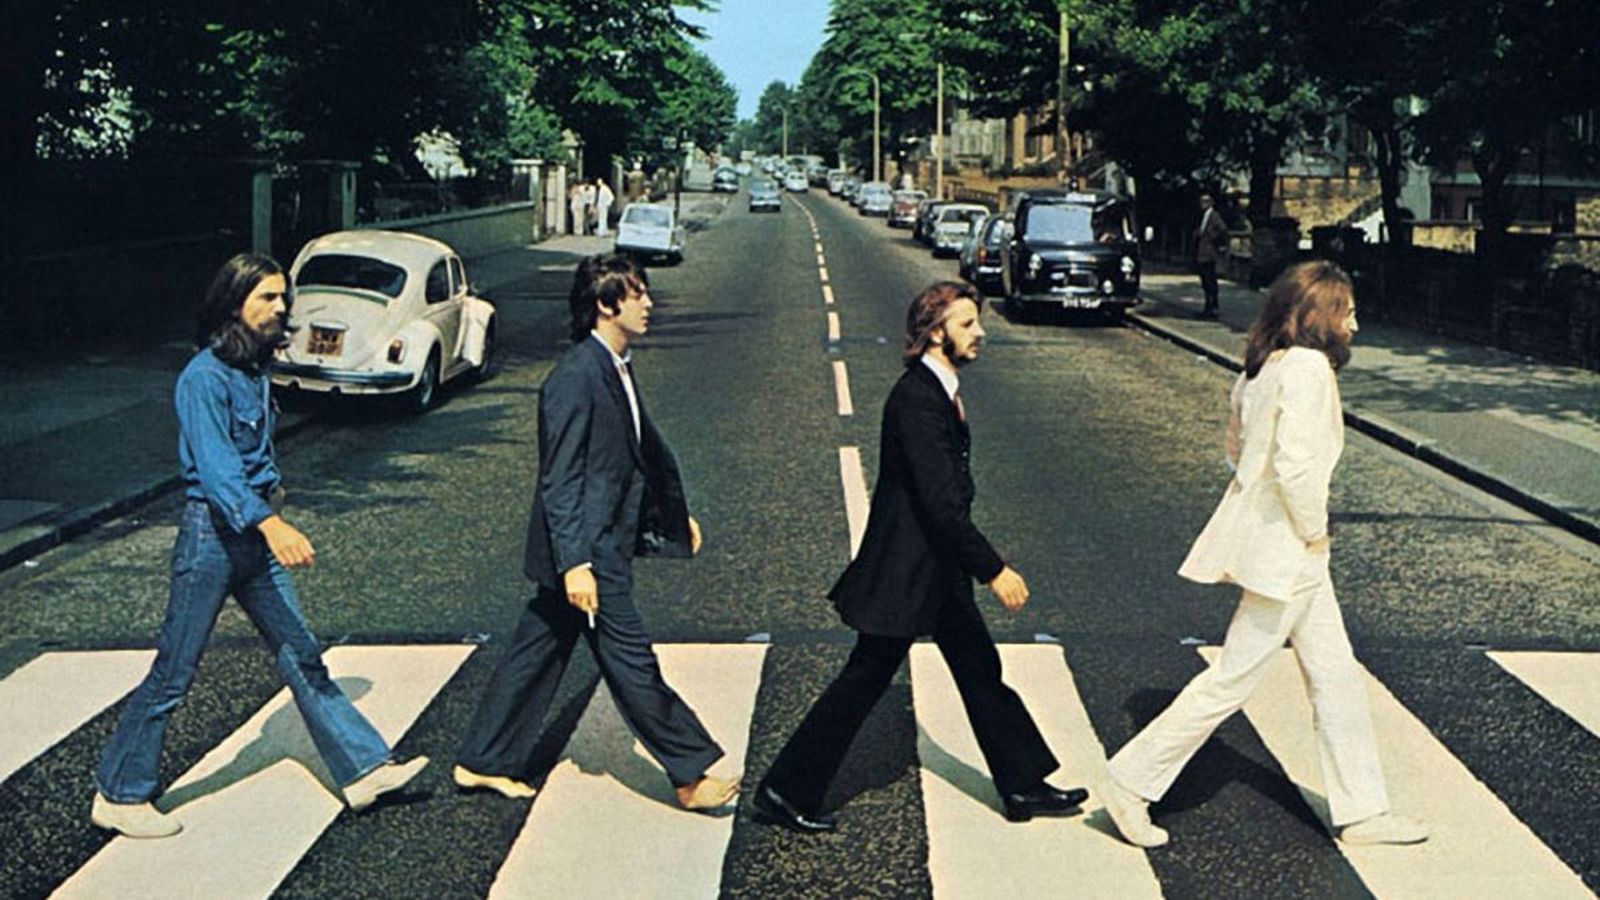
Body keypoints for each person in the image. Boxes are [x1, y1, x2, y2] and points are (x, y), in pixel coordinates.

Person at [91, 254, 428, 839]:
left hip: (250, 536)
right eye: (267, 298)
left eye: (282, 298)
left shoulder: (252, 371)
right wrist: (270, 524)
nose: (281, 308)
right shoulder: (203, 377)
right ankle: (119, 792)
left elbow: (249, 459)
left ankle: (364, 769)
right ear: (233, 304)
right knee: (175, 670)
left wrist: (274, 491)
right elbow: (218, 473)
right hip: (213, 539)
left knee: (302, 653)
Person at [1101, 261, 1428, 849]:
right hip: (1292, 552)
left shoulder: (1262, 368)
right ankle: (1130, 781)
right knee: (1231, 678)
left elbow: (1237, 452)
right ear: (1318, 317)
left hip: (1286, 549)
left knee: (1336, 678)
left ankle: (1362, 812)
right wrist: (1313, 529)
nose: (1355, 321)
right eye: (1346, 310)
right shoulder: (1307, 369)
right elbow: (1297, 467)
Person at [753, 282, 1088, 834]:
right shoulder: (916, 398)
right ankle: (785, 789)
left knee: (981, 670)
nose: (979, 333)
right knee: (864, 679)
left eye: (976, 322)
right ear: (936, 333)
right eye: (965, 324)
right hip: (909, 572)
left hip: (935, 572)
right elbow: (939, 506)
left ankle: (1023, 783)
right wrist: (994, 569)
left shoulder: (938, 391)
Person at [454, 254, 738, 811]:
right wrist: (575, 563)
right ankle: (689, 772)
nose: (649, 303)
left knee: (536, 650)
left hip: (598, 538)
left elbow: (630, 461)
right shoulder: (576, 377)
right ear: (606, 305)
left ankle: (482, 760)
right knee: (632, 663)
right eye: (637, 295)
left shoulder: (614, 365)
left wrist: (672, 520)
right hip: (590, 549)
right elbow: (560, 480)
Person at [1195, 193, 1229, 318]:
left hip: (1209, 254)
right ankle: (1208, 307)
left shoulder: (1214, 216)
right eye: (1201, 202)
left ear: (1210, 203)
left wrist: (1218, 243)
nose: (1201, 204)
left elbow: (1223, 230)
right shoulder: (1204, 216)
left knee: (1210, 282)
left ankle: (1213, 308)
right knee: (1205, 282)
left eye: (1204, 202)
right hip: (1203, 254)